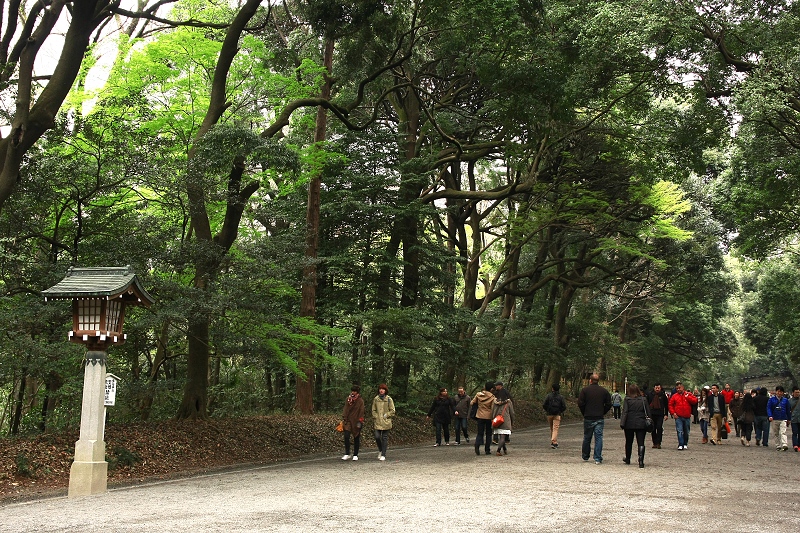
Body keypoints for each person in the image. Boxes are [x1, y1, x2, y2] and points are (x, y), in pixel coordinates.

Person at [578, 374, 612, 464]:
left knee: (587, 437)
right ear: (598, 381)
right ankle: (597, 457)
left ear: (590, 380)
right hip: (599, 417)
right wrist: (603, 411)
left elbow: (580, 403)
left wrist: (584, 412)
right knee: (598, 437)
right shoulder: (604, 391)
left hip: (588, 416)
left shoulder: (585, 390)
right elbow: (609, 403)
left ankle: (585, 455)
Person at [621, 384, 650, 468]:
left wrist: (622, 423)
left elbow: (625, 412)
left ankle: (628, 458)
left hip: (629, 423)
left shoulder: (627, 399)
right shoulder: (643, 400)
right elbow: (648, 412)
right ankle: (641, 461)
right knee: (641, 442)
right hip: (641, 423)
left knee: (629, 442)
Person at [668, 381, 697, 450]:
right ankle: (680, 444)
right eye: (677, 388)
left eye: (680, 388)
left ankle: (685, 443)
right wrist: (673, 413)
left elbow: (695, 401)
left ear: (683, 388)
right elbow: (670, 404)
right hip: (678, 416)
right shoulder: (675, 396)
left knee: (686, 431)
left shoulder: (688, 394)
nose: (678, 389)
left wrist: (688, 398)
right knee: (679, 430)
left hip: (687, 416)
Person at [470, 382, 496, 456]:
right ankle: (487, 450)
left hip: (480, 416)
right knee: (488, 433)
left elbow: (472, 403)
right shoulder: (492, 397)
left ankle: (477, 444)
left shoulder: (478, 395)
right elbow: (493, 408)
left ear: (484, 387)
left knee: (480, 432)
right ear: (491, 389)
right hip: (488, 417)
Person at [372, 384, 395, 461]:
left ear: (385, 391)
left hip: (386, 422)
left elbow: (392, 410)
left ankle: (383, 454)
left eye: (383, 389)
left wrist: (386, 415)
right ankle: (380, 450)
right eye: (380, 389)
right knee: (377, 437)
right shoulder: (376, 399)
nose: (381, 390)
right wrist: (376, 416)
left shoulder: (389, 399)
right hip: (378, 421)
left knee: (384, 437)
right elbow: (373, 410)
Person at [342, 385, 365, 461]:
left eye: (355, 391)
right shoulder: (348, 399)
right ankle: (347, 453)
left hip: (356, 420)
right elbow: (345, 408)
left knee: (356, 437)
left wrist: (360, 420)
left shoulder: (360, 400)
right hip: (348, 420)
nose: (353, 392)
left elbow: (361, 411)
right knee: (346, 435)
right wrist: (344, 417)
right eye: (352, 391)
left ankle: (355, 454)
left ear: (357, 392)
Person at [543, 383, 567, 448]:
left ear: (552, 389)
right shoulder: (560, 397)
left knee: (552, 428)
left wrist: (547, 410)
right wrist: (560, 411)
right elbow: (564, 406)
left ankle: (553, 441)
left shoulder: (548, 396)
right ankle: (554, 442)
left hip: (549, 414)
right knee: (555, 428)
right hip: (557, 414)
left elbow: (544, 405)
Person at [491, 388, 515, 455]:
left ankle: (504, 449)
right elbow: (512, 413)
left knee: (501, 436)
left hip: (497, 420)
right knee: (503, 437)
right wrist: (512, 421)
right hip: (505, 421)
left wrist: (492, 419)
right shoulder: (508, 402)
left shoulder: (495, 401)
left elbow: (492, 412)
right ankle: (498, 451)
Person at [767, 385, 790, 451]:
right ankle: (778, 445)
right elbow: (769, 408)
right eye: (778, 391)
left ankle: (784, 444)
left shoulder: (785, 400)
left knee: (783, 432)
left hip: (783, 418)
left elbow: (788, 410)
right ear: (776, 392)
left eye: (781, 392)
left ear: (783, 393)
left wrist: (789, 419)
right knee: (775, 433)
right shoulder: (771, 399)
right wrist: (770, 416)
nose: (779, 393)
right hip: (774, 418)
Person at [647, 383, 669, 449]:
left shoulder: (663, 395)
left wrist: (666, 414)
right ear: (654, 388)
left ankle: (659, 442)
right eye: (656, 388)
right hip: (652, 413)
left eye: (658, 388)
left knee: (659, 427)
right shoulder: (650, 395)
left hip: (660, 414)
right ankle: (654, 442)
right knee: (653, 428)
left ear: (660, 388)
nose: (657, 389)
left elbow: (666, 405)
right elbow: (647, 404)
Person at [789, 387, 800, 452]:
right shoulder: (790, 401)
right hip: (793, 419)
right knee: (795, 432)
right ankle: (795, 445)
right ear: (793, 393)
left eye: (798, 392)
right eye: (796, 392)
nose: (797, 394)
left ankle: (799, 445)